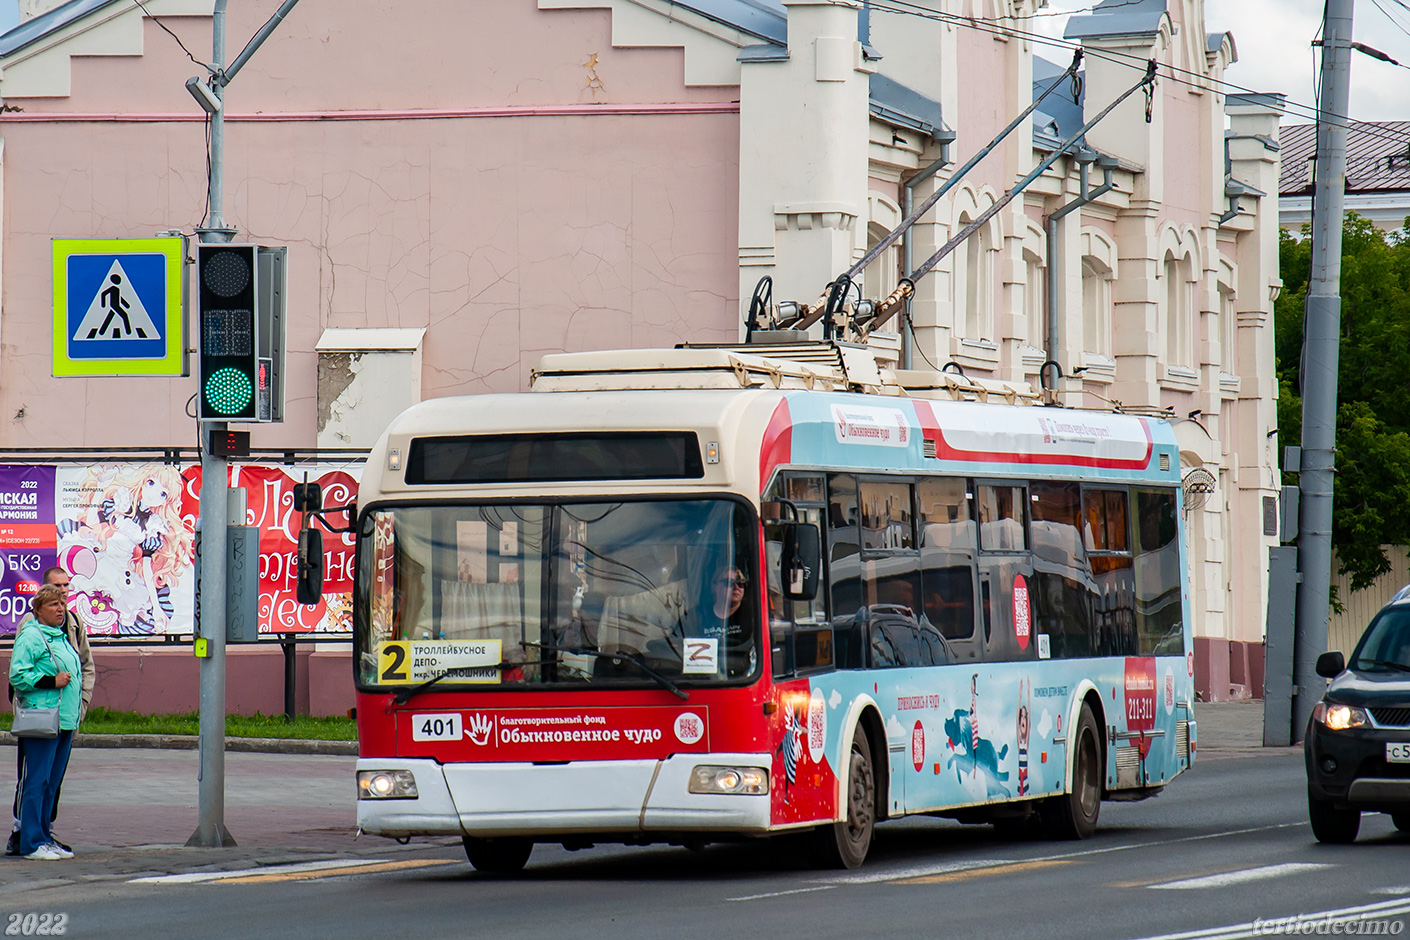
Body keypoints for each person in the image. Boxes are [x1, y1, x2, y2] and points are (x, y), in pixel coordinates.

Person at [7, 567, 94, 857]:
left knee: (51, 784)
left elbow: (84, 669)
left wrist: (80, 708)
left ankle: (45, 837)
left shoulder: (62, 635)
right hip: (42, 719)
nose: (60, 607)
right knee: (36, 780)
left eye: (62, 602)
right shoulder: (31, 635)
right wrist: (50, 681)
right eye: (53, 604)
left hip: (65, 721)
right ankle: (30, 842)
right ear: (38, 610)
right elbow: (18, 675)